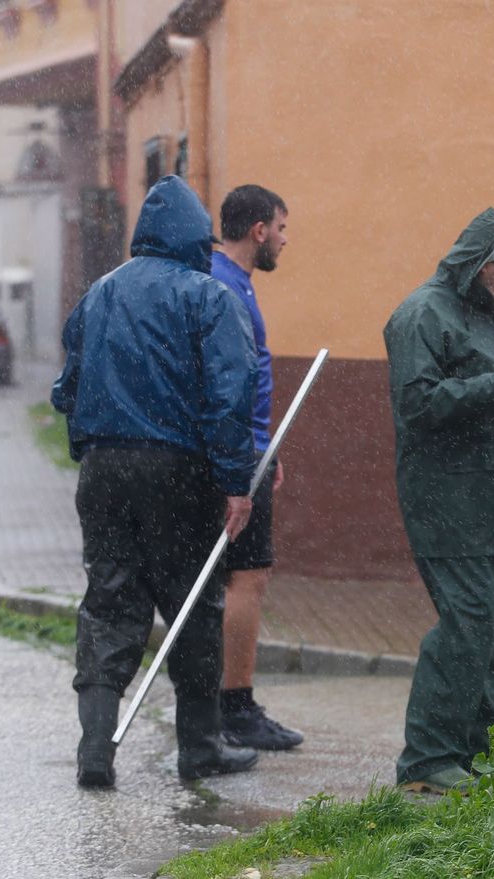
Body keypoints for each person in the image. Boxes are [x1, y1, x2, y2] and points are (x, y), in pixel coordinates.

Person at [52, 175, 261, 789]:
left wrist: (90, 450)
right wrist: (235, 481)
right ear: (198, 238)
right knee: (193, 604)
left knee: (108, 603)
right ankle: (199, 750)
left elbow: (66, 388)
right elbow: (229, 395)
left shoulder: (99, 294)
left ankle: (96, 749)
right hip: (177, 471)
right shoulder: (207, 297)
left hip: (103, 469)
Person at [384, 208, 494, 795]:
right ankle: (427, 761)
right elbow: (418, 405)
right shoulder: (423, 315)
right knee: (468, 624)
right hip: (450, 504)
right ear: (486, 265)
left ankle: (480, 754)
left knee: (493, 629)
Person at [209, 184, 304, 751]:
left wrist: (265, 449)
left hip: (246, 449)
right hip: (235, 455)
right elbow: (230, 382)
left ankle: (222, 704)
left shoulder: (228, 282)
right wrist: (244, 461)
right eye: (282, 229)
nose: (285, 241)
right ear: (258, 231)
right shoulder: (225, 286)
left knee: (242, 576)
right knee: (247, 576)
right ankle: (234, 707)